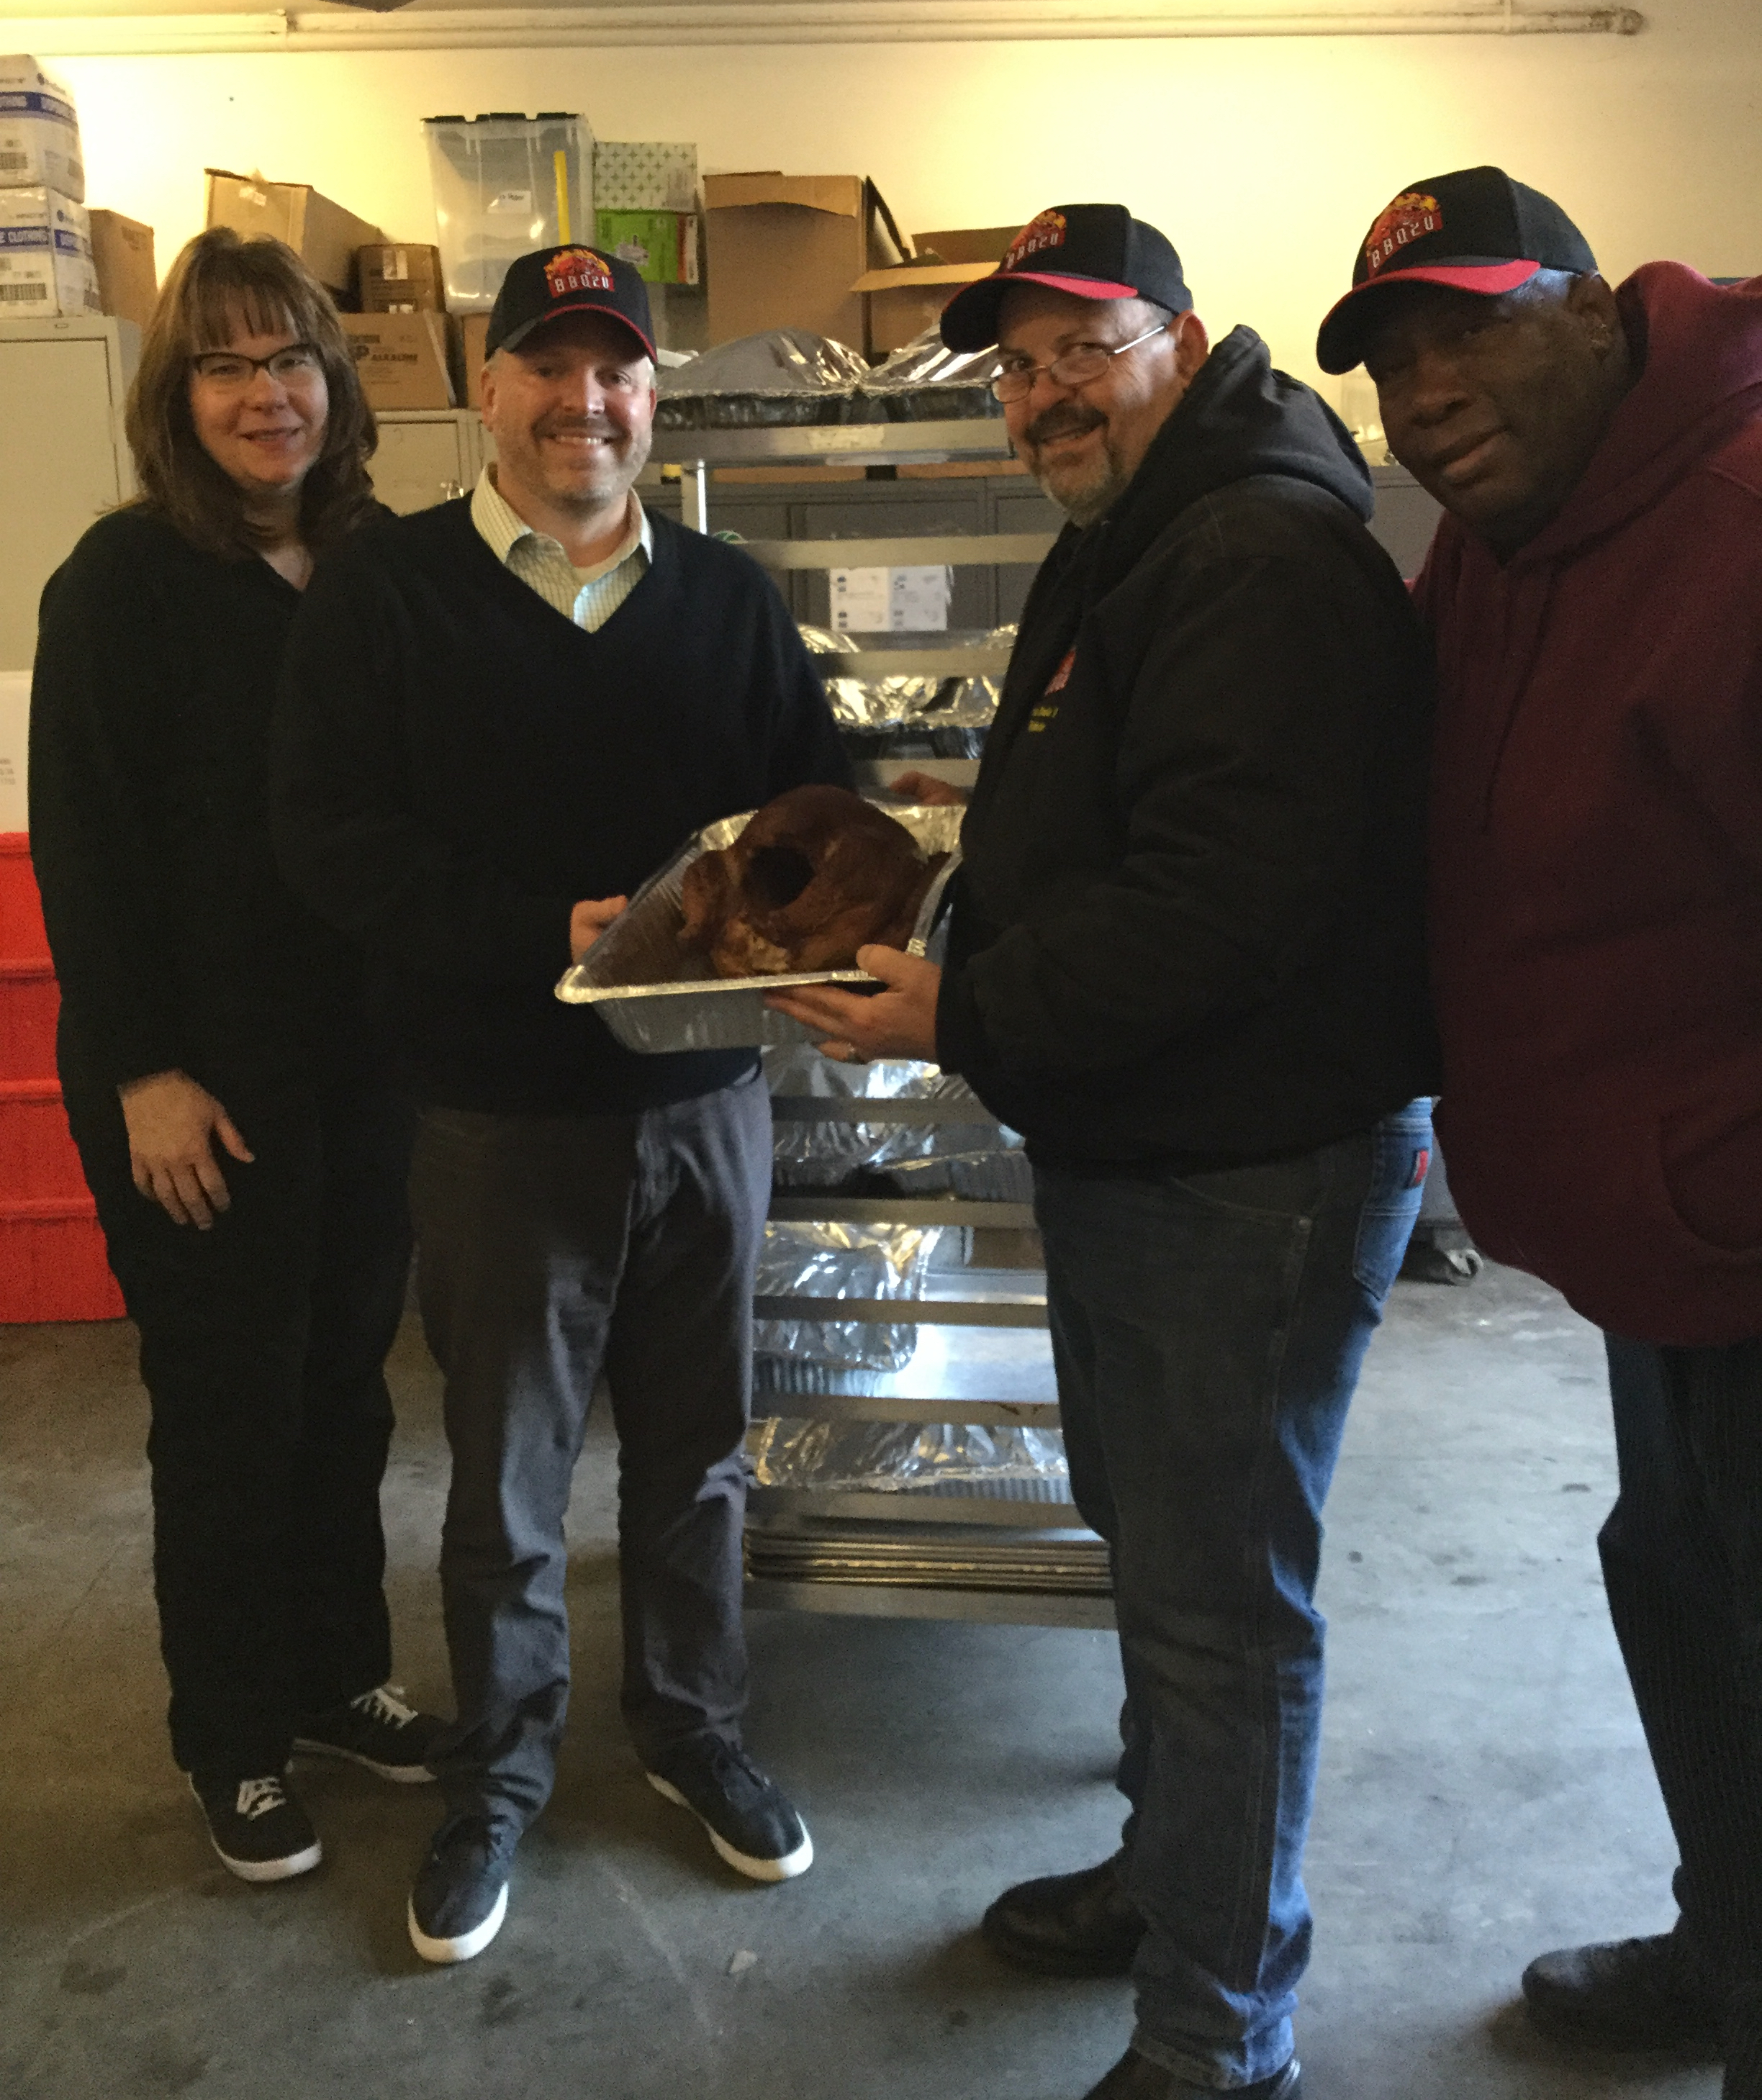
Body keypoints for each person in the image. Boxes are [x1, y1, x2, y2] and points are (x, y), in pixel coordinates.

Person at [771, 202, 1437, 2099]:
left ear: (1184, 336)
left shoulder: (1255, 555)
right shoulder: (1143, 535)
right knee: (1165, 1567)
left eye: (1083, 346)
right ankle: (1176, 1877)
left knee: (1226, 1607)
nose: (1043, 391)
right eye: (1018, 361)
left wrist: (952, 1014)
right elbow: (1122, 820)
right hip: (1154, 1147)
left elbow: (1218, 905)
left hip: (1253, 1167)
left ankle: (1224, 2031)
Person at [271, 243, 851, 1965]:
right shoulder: (385, 596)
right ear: (486, 382)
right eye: (548, 365)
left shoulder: (729, 597)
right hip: (496, 1117)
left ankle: (692, 1731)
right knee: (508, 1478)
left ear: (649, 399)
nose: (582, 401)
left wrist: (841, 896)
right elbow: (330, 840)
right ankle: (500, 1773)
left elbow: (802, 810)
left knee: (697, 1463)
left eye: (615, 370)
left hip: (707, 1106)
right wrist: (547, 935)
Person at [1318, 164, 1762, 2100]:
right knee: (1674, 1575)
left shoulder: (1737, 529)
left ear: (1596, 308)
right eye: (1398, 356)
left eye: (1471, 326)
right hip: (1659, 1230)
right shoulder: (1509, 533)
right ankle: (1730, 1938)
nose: (1429, 389)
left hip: (1744, 1227)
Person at [27, 229, 440, 1886]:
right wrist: (142, 1074)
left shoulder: (385, 566)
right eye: (226, 365)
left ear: (339, 389)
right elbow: (86, 849)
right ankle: (233, 1735)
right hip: (198, 1079)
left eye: (292, 363)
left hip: (366, 1062)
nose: (265, 396)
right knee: (225, 1402)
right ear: (174, 395)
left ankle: (339, 1675)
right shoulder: (118, 584)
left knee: (345, 1386)